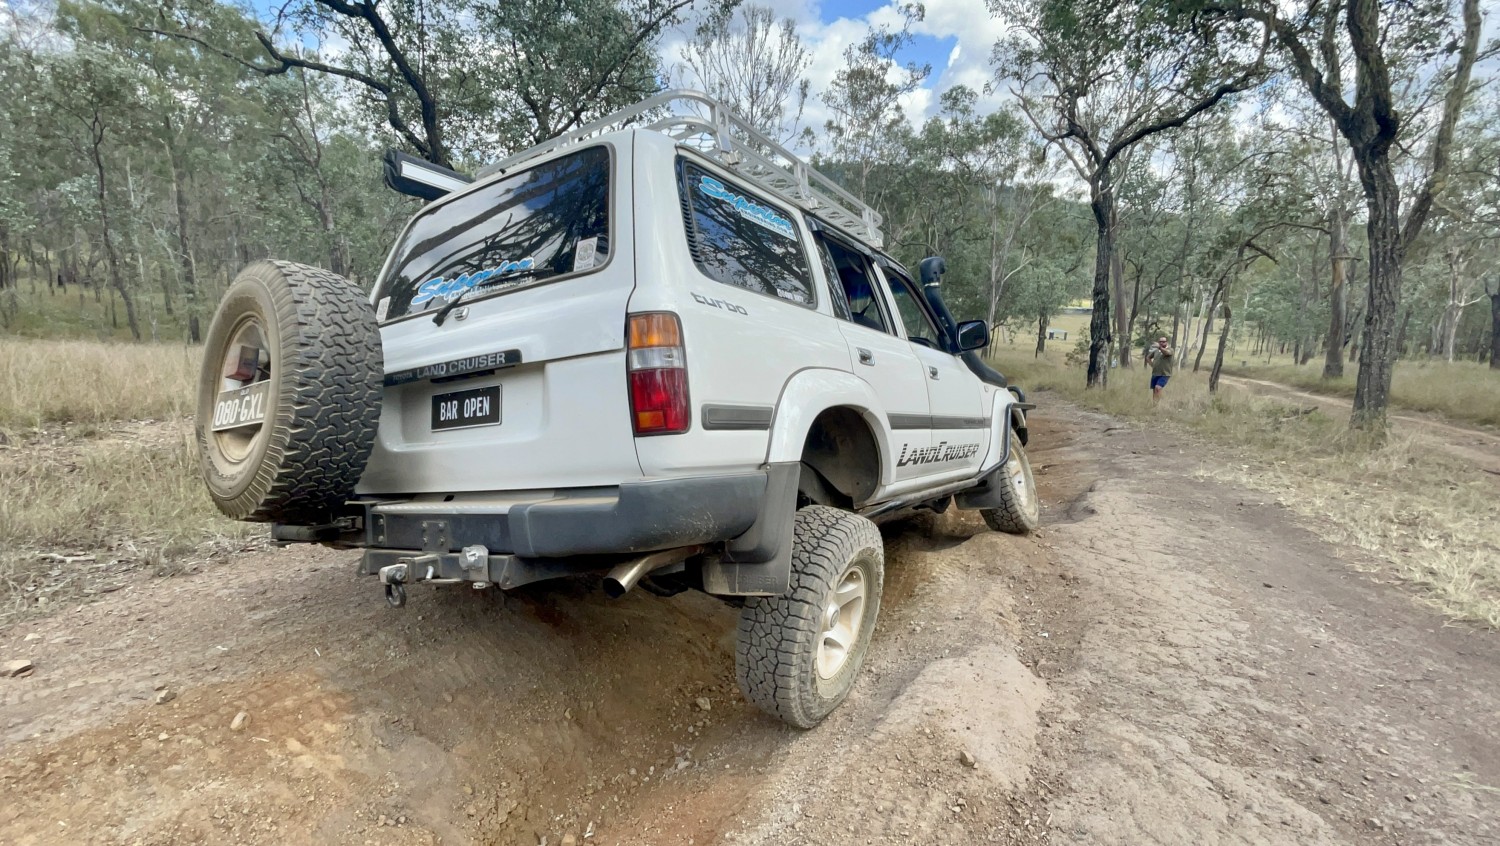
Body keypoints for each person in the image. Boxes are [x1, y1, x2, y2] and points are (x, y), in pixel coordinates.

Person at [1145, 337, 1174, 403]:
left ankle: (1160, 404)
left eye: (1163, 341)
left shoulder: (1170, 349)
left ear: (1166, 342)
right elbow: (1148, 357)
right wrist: (1152, 365)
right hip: (1155, 373)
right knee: (1154, 390)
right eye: (1160, 341)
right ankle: (1155, 405)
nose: (1161, 343)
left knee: (1158, 388)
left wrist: (1160, 348)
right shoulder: (1156, 351)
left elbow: (1166, 353)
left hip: (1165, 374)